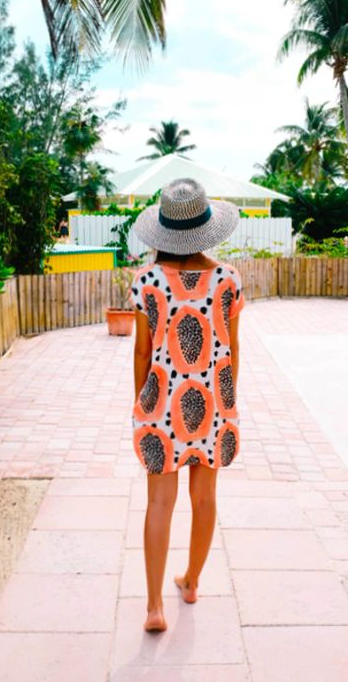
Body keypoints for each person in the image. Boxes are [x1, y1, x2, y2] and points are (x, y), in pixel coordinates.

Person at [129, 178, 245, 633]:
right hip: (214, 401)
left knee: (160, 502)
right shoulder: (228, 280)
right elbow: (232, 351)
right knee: (205, 498)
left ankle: (155, 606)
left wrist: (142, 400)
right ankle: (192, 581)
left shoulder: (148, 280)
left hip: (161, 402)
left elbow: (142, 351)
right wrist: (230, 402)